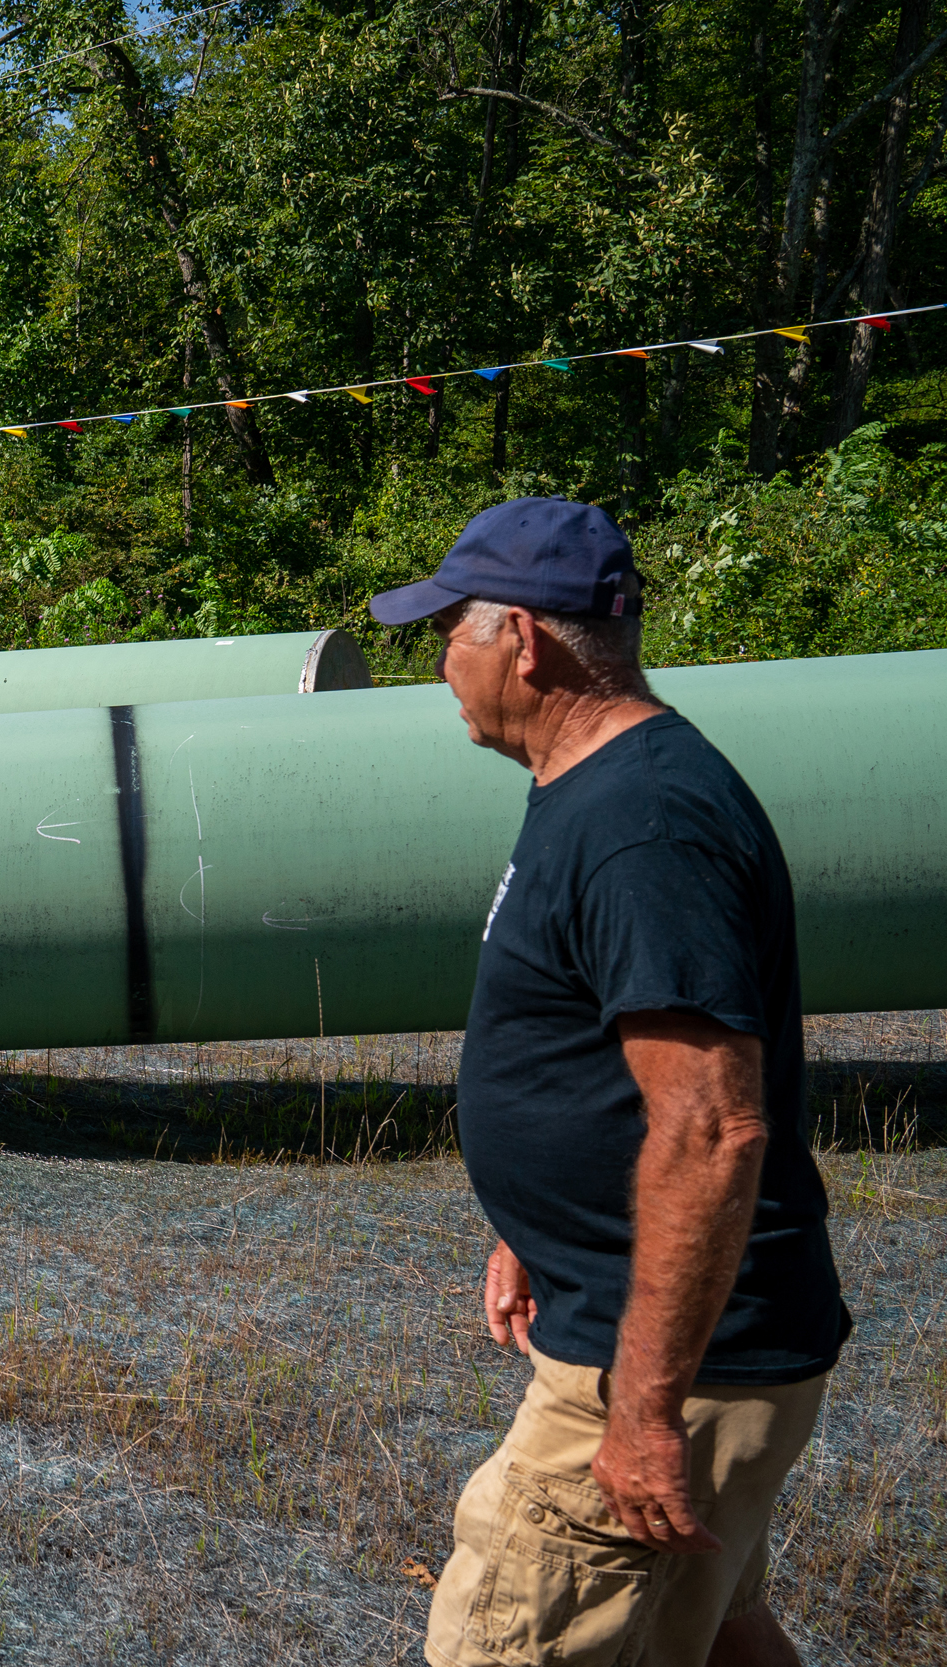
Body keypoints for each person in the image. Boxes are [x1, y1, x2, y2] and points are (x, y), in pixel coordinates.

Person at [367, 498, 848, 1667]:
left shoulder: (641, 825)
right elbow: (617, 1070)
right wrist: (538, 1222)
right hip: (678, 1333)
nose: (443, 663)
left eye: (449, 633)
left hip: (667, 1370)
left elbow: (711, 1125)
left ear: (521, 641)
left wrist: (639, 1411)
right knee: (719, 1633)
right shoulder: (601, 790)